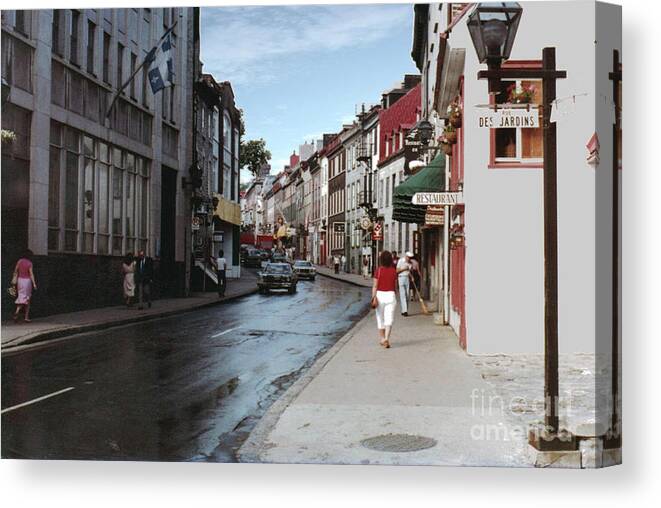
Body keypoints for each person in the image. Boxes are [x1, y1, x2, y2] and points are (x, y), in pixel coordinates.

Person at [371, 251, 398, 349]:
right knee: (389, 318)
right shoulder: (394, 271)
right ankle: (387, 338)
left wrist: (373, 297)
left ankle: (382, 338)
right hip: (391, 295)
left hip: (380, 295)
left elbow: (374, 286)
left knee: (380, 318)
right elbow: (395, 286)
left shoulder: (378, 270)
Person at [12, 249, 37, 323]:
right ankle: (26, 317)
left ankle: (17, 311)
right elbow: (31, 274)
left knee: (21, 296)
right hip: (27, 281)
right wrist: (34, 283)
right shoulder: (29, 263)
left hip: (20, 281)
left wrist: (14, 278)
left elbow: (15, 271)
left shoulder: (19, 261)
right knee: (27, 299)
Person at [396, 251, 412, 316]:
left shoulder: (410, 263)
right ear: (406, 256)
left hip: (407, 278)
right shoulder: (400, 261)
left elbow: (409, 271)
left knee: (407, 295)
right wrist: (404, 269)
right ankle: (405, 311)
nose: (409, 259)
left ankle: (404, 310)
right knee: (403, 295)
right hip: (401, 277)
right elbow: (397, 270)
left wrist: (412, 277)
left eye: (410, 258)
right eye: (408, 257)